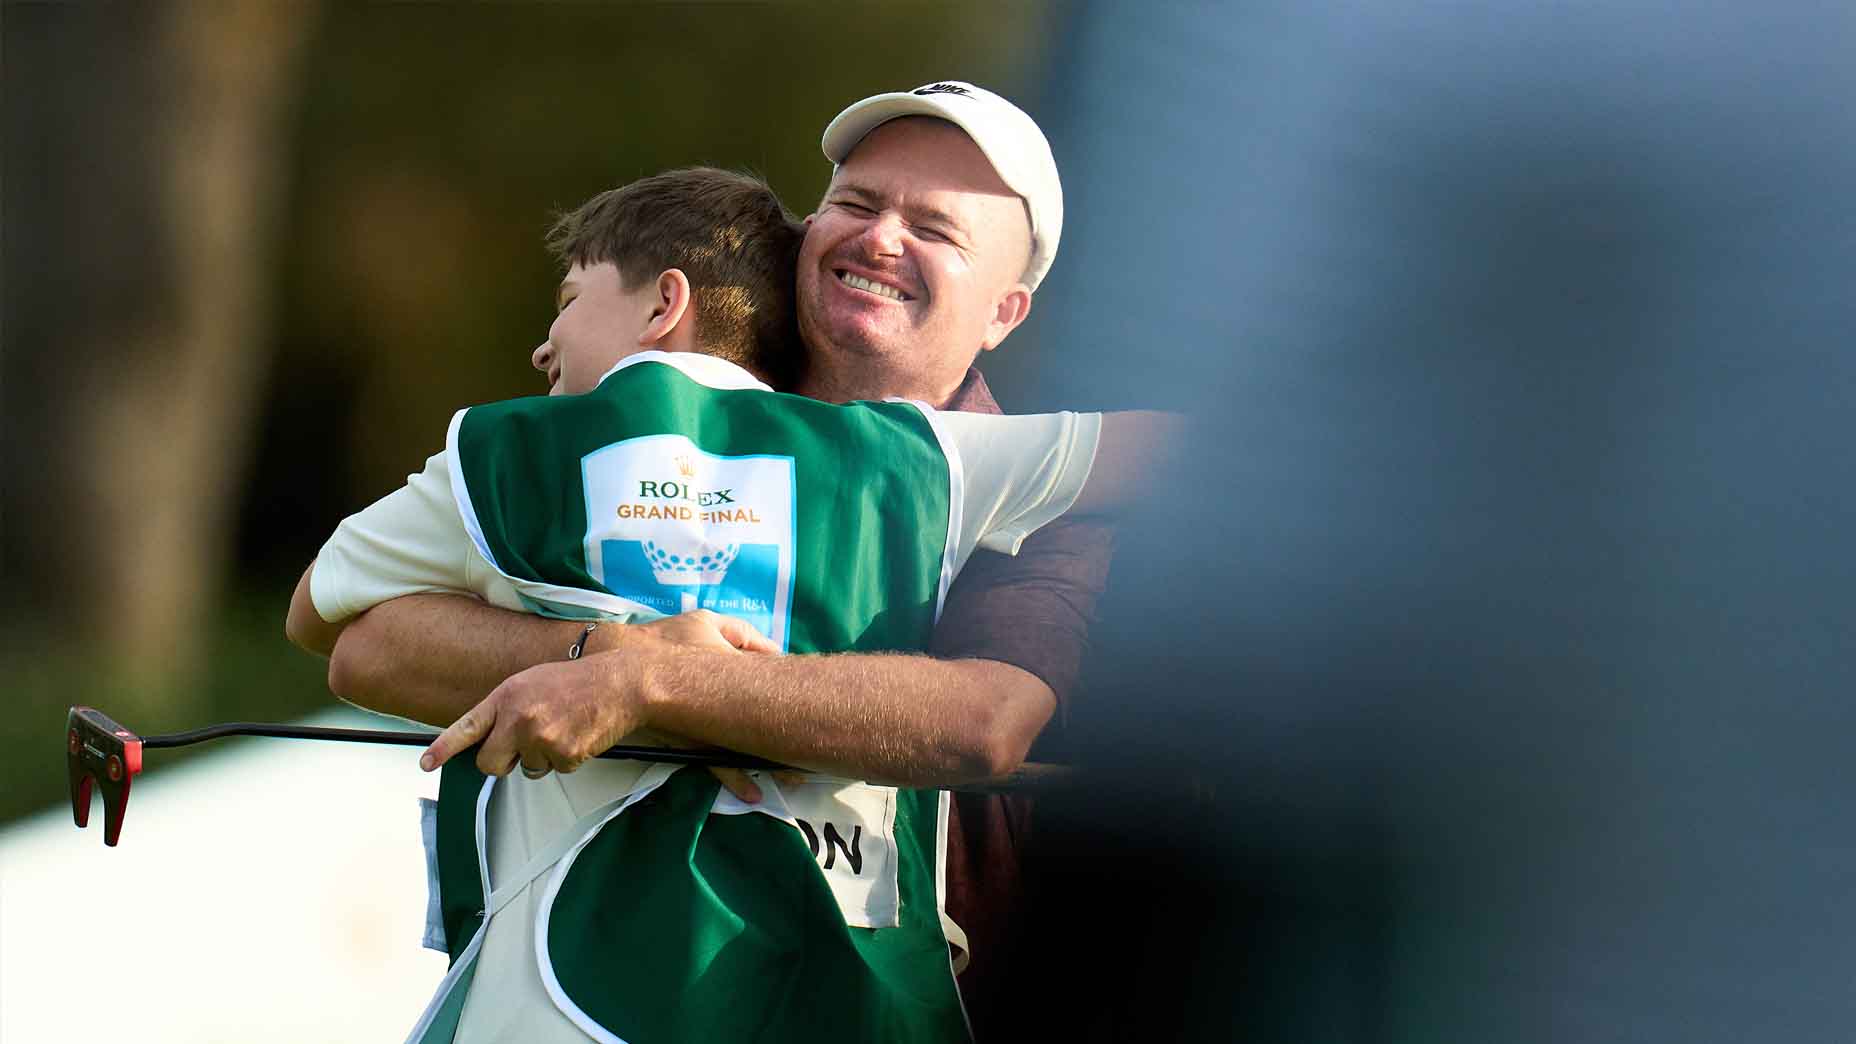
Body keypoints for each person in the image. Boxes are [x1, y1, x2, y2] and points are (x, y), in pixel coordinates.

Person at [302, 81, 1120, 1038]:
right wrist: (603, 650)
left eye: (935, 227)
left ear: (1005, 311)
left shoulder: (1041, 500)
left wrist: (662, 685)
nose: (881, 238)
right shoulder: (642, 409)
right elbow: (368, 647)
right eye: (856, 204)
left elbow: (985, 720)